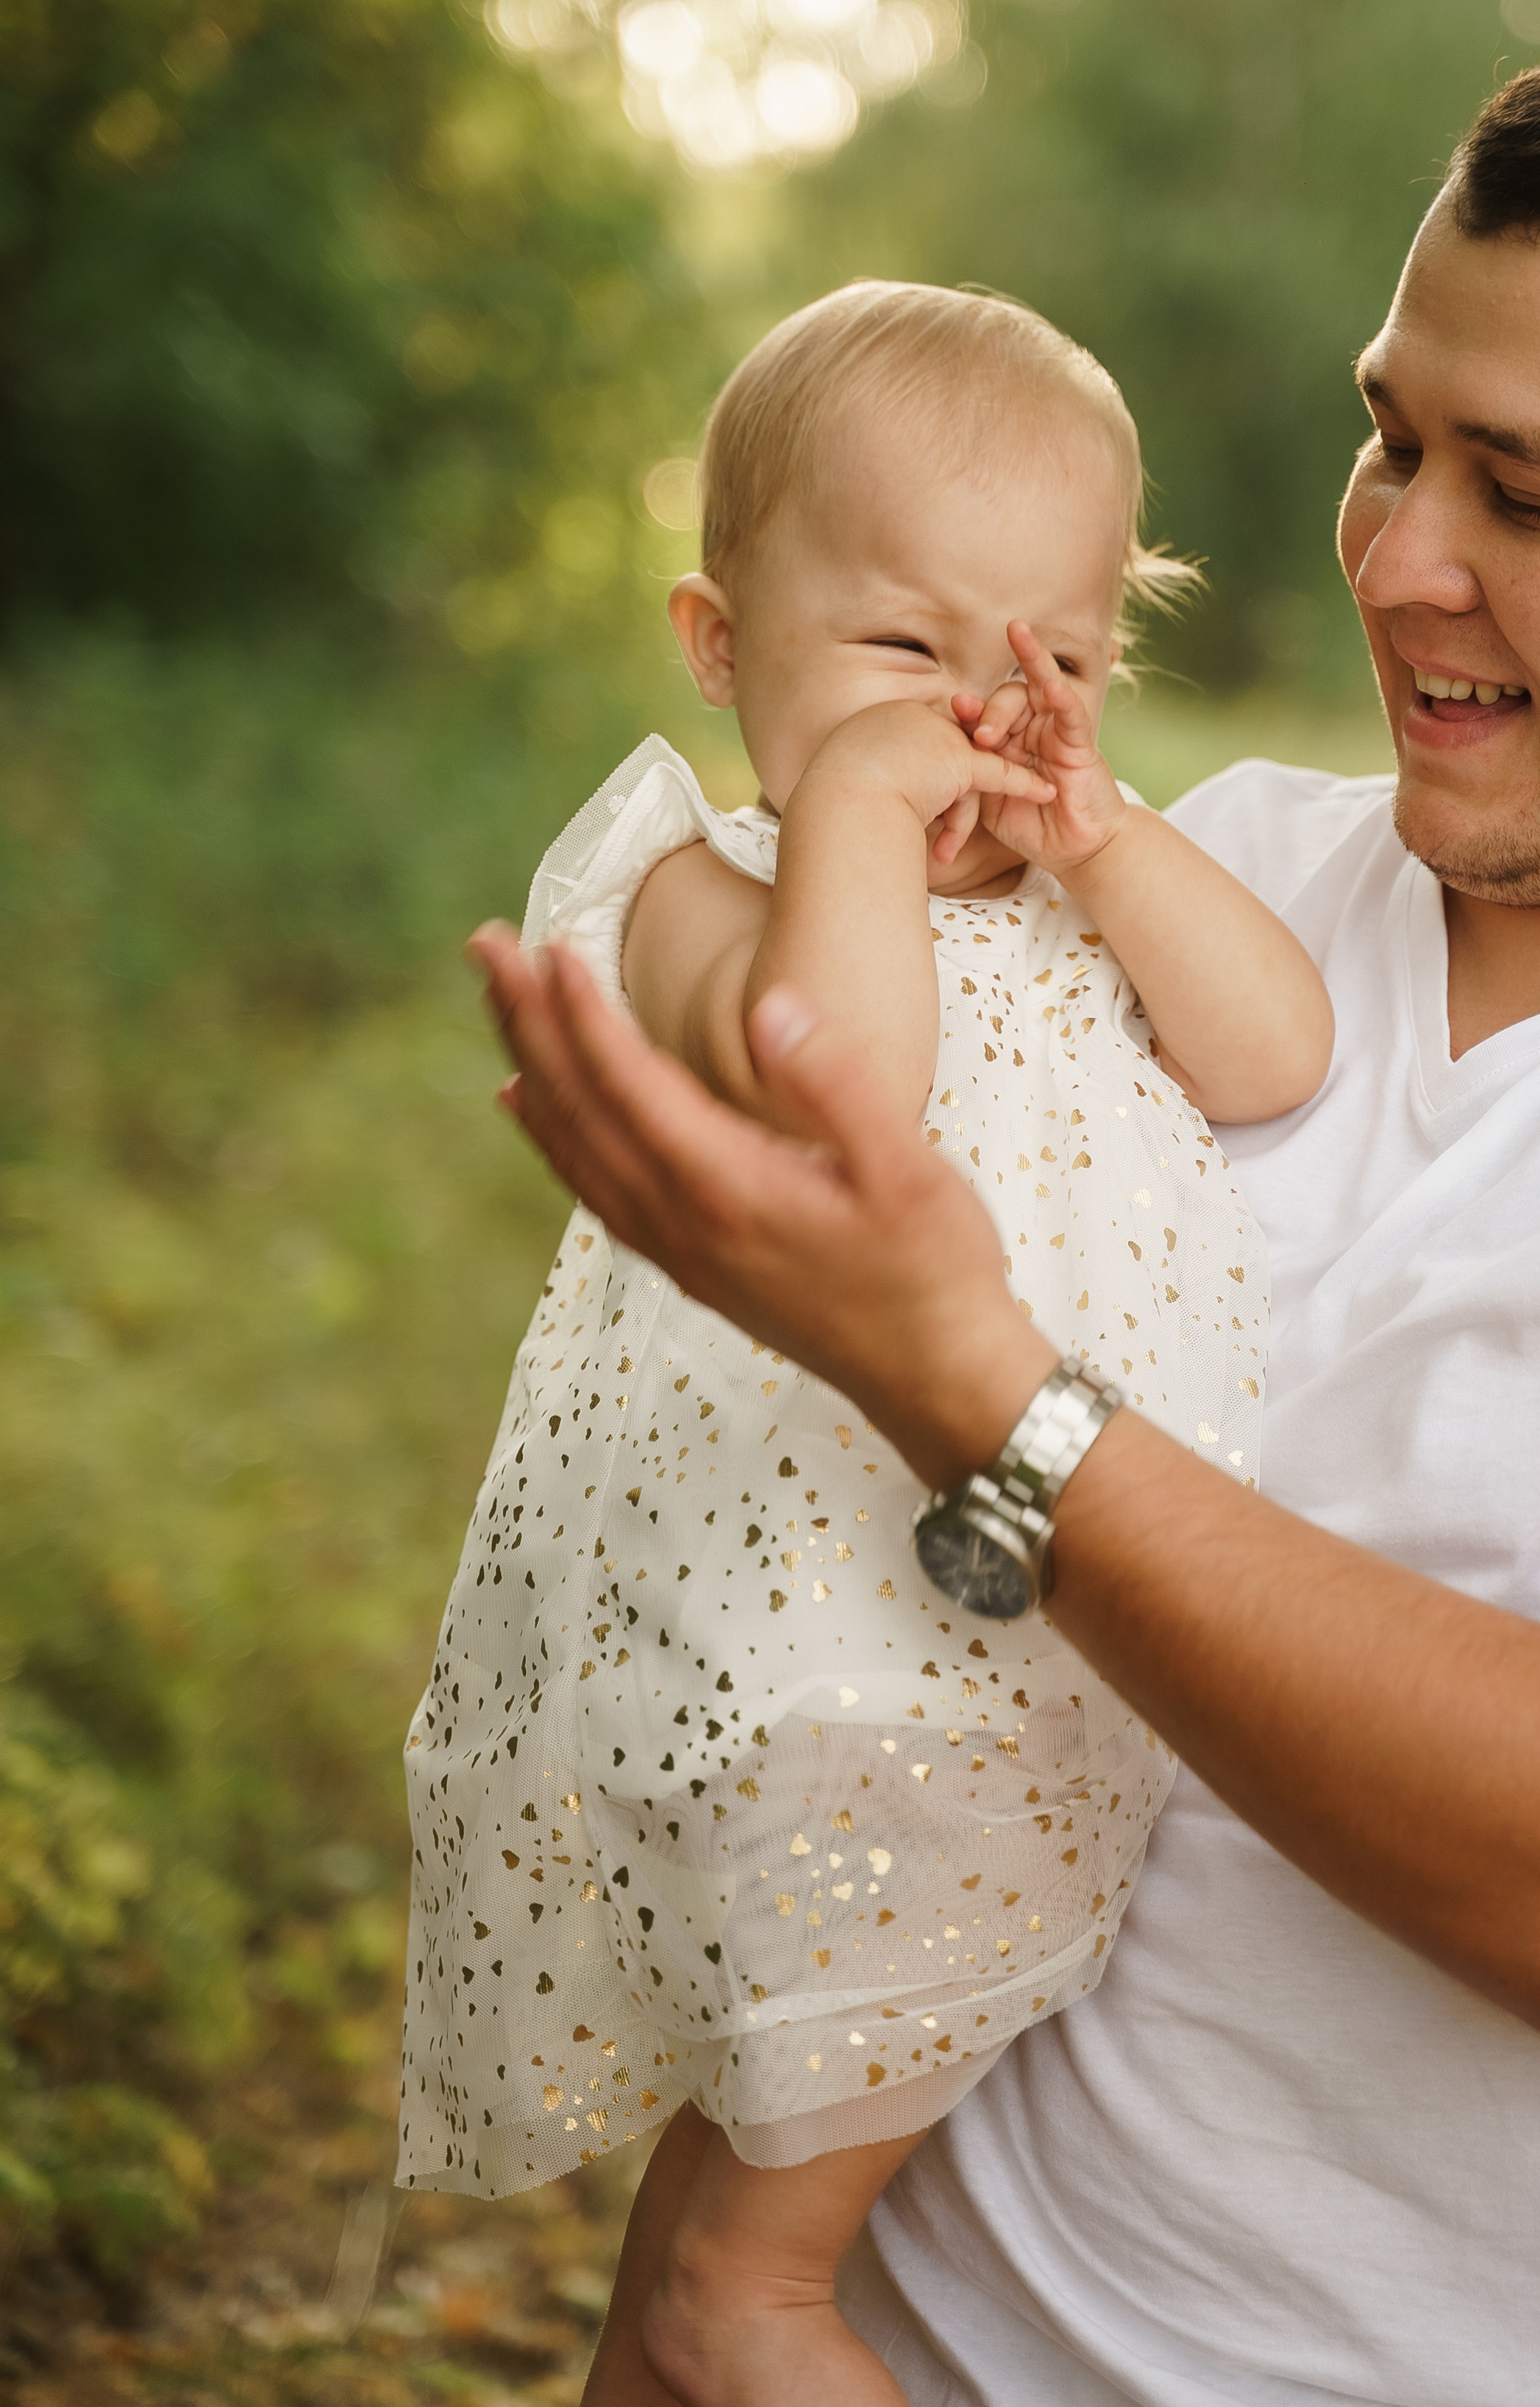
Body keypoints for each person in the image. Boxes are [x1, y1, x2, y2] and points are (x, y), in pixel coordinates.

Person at [474, 7, 1540, 2407]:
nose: (1399, 556)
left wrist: (976, 1393)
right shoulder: (1184, 875)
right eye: (1384, 437)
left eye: (1522, 498)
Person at [400, 283, 1331, 2407]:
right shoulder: (688, 894)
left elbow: (1281, 1050)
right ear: (723, 646)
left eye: (1060, 665)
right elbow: (845, 1076)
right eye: (908, 653)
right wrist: (858, 819)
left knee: (700, 2269)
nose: (986, 720)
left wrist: (1102, 834)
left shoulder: (1077, 883)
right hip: (805, 1663)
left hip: (1024, 1665)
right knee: (750, 2285)